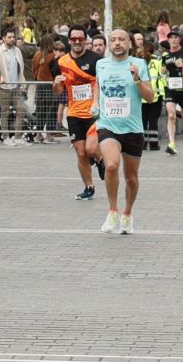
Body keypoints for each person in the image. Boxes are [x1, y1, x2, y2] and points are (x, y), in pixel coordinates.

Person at [93, 28, 153, 235]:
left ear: (129, 44)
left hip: (133, 128)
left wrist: (137, 79)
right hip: (108, 125)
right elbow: (98, 84)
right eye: (113, 40)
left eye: (121, 40)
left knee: (132, 178)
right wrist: (95, 103)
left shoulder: (140, 65)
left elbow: (151, 97)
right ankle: (112, 211)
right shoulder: (101, 64)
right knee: (111, 165)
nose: (117, 43)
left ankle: (127, 214)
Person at [54, 26, 101, 200]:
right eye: (73, 39)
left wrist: (98, 102)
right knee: (81, 152)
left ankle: (100, 160)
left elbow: (101, 84)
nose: (77, 42)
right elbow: (58, 91)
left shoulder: (96, 60)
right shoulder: (61, 62)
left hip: (93, 112)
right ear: (69, 41)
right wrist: (56, 84)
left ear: (85, 40)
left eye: (80, 38)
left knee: (91, 148)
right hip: (73, 112)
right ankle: (89, 186)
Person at [161, 33, 183, 154]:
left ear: (179, 40)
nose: (173, 40)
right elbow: (163, 71)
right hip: (171, 87)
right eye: (171, 38)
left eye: (176, 38)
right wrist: (166, 67)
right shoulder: (166, 55)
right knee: (171, 114)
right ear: (168, 40)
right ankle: (172, 143)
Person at [0, 28, 27, 144]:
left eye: (13, 37)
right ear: (3, 38)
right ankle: (5, 137)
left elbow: (21, 68)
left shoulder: (17, 50)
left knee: (21, 110)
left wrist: (22, 83)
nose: (12, 39)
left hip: (16, 86)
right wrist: (1, 80)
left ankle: (17, 137)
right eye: (9, 37)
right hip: (4, 87)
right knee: (5, 112)